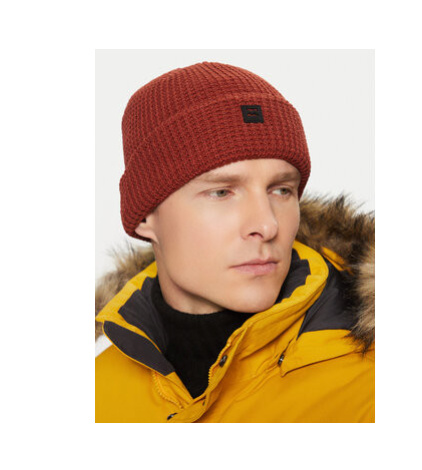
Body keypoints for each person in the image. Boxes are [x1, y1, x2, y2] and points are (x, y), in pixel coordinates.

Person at [95, 61, 375, 423]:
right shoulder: (95, 389)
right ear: (146, 215)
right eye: (222, 192)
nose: (267, 224)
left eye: (282, 190)